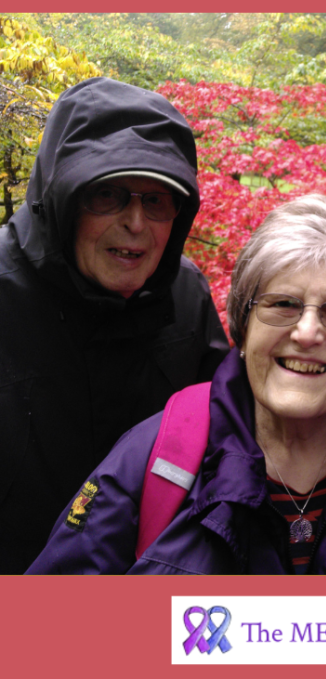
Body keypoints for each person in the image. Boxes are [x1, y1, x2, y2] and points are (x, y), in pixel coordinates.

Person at [27, 193, 326, 575]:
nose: (307, 333)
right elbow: (44, 637)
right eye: (283, 304)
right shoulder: (157, 457)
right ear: (245, 322)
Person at [1, 76, 229, 574]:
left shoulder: (184, 297)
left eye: (157, 200)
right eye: (108, 194)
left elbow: (231, 430)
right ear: (60, 199)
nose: (135, 223)